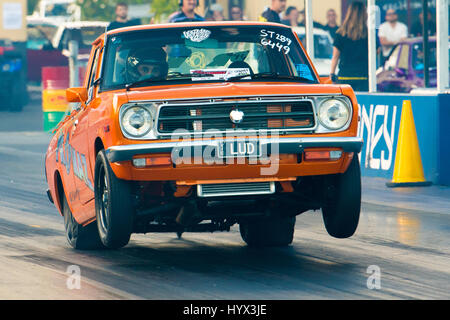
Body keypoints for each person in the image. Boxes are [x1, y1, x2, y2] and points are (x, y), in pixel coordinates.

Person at [330, 1, 368, 92]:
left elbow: (335, 56)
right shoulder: (368, 34)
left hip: (344, 76)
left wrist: (332, 73)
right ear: (364, 14)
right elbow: (377, 51)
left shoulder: (340, 33)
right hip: (362, 76)